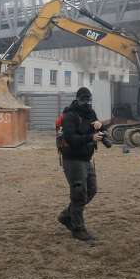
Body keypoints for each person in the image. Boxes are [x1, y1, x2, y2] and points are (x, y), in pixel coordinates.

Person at [57, 87, 104, 242]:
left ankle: (66, 215)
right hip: (73, 159)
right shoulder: (70, 115)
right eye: (83, 100)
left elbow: (98, 131)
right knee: (78, 194)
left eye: (88, 99)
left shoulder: (91, 113)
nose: (86, 103)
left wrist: (100, 126)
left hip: (86, 158)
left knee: (91, 189)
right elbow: (71, 139)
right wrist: (91, 137)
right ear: (77, 99)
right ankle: (78, 229)